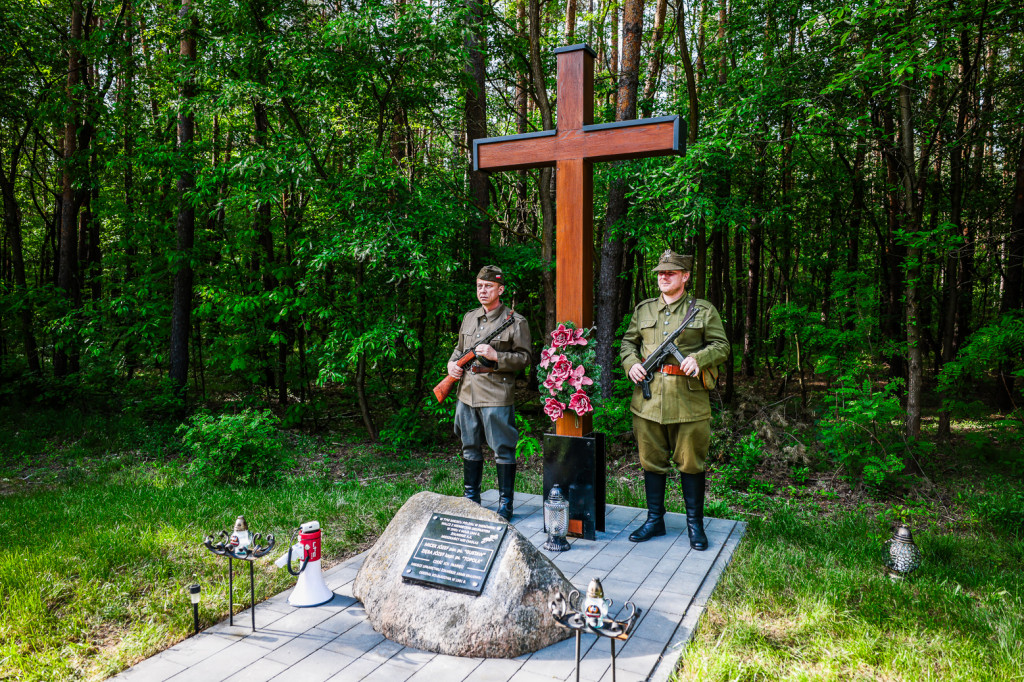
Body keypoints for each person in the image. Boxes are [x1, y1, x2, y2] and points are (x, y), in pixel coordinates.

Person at [619, 251, 730, 549]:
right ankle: (655, 520)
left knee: (691, 463)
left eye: (670, 272)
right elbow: (628, 344)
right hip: (648, 399)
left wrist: (701, 357)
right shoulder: (643, 310)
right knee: (651, 462)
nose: (663, 276)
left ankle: (694, 524)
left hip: (688, 401)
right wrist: (631, 364)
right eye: (659, 272)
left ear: (685, 276)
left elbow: (722, 346)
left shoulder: (702, 310)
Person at [447, 265, 532, 521]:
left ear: (500, 289)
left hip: (496, 395)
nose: (483, 291)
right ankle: (471, 499)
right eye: (480, 286)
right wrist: (451, 364)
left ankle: (506, 504)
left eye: (489, 287)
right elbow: (459, 349)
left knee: (503, 449)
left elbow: (525, 358)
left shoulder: (516, 321)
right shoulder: (469, 317)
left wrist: (498, 356)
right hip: (466, 394)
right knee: (469, 446)